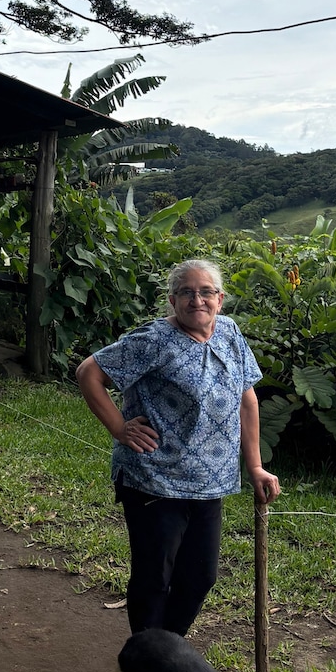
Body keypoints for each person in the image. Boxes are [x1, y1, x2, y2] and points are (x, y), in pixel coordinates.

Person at [76, 258, 280, 635]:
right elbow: (89, 372)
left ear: (220, 299)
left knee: (200, 577)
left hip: (210, 482)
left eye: (205, 292)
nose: (196, 299)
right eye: (186, 292)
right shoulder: (153, 340)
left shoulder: (229, 333)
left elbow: (246, 399)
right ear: (172, 300)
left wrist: (254, 466)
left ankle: (167, 650)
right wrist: (120, 428)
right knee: (155, 578)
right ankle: (147, 661)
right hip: (154, 478)